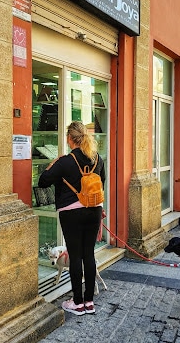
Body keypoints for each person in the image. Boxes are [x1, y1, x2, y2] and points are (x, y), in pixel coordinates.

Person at [38, 121, 105, 316]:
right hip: (94, 210)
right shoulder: (97, 159)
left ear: (69, 138)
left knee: (75, 256)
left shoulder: (65, 161)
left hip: (71, 212)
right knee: (88, 255)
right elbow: (102, 182)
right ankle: (89, 302)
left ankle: (77, 302)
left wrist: (52, 166)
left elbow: (43, 182)